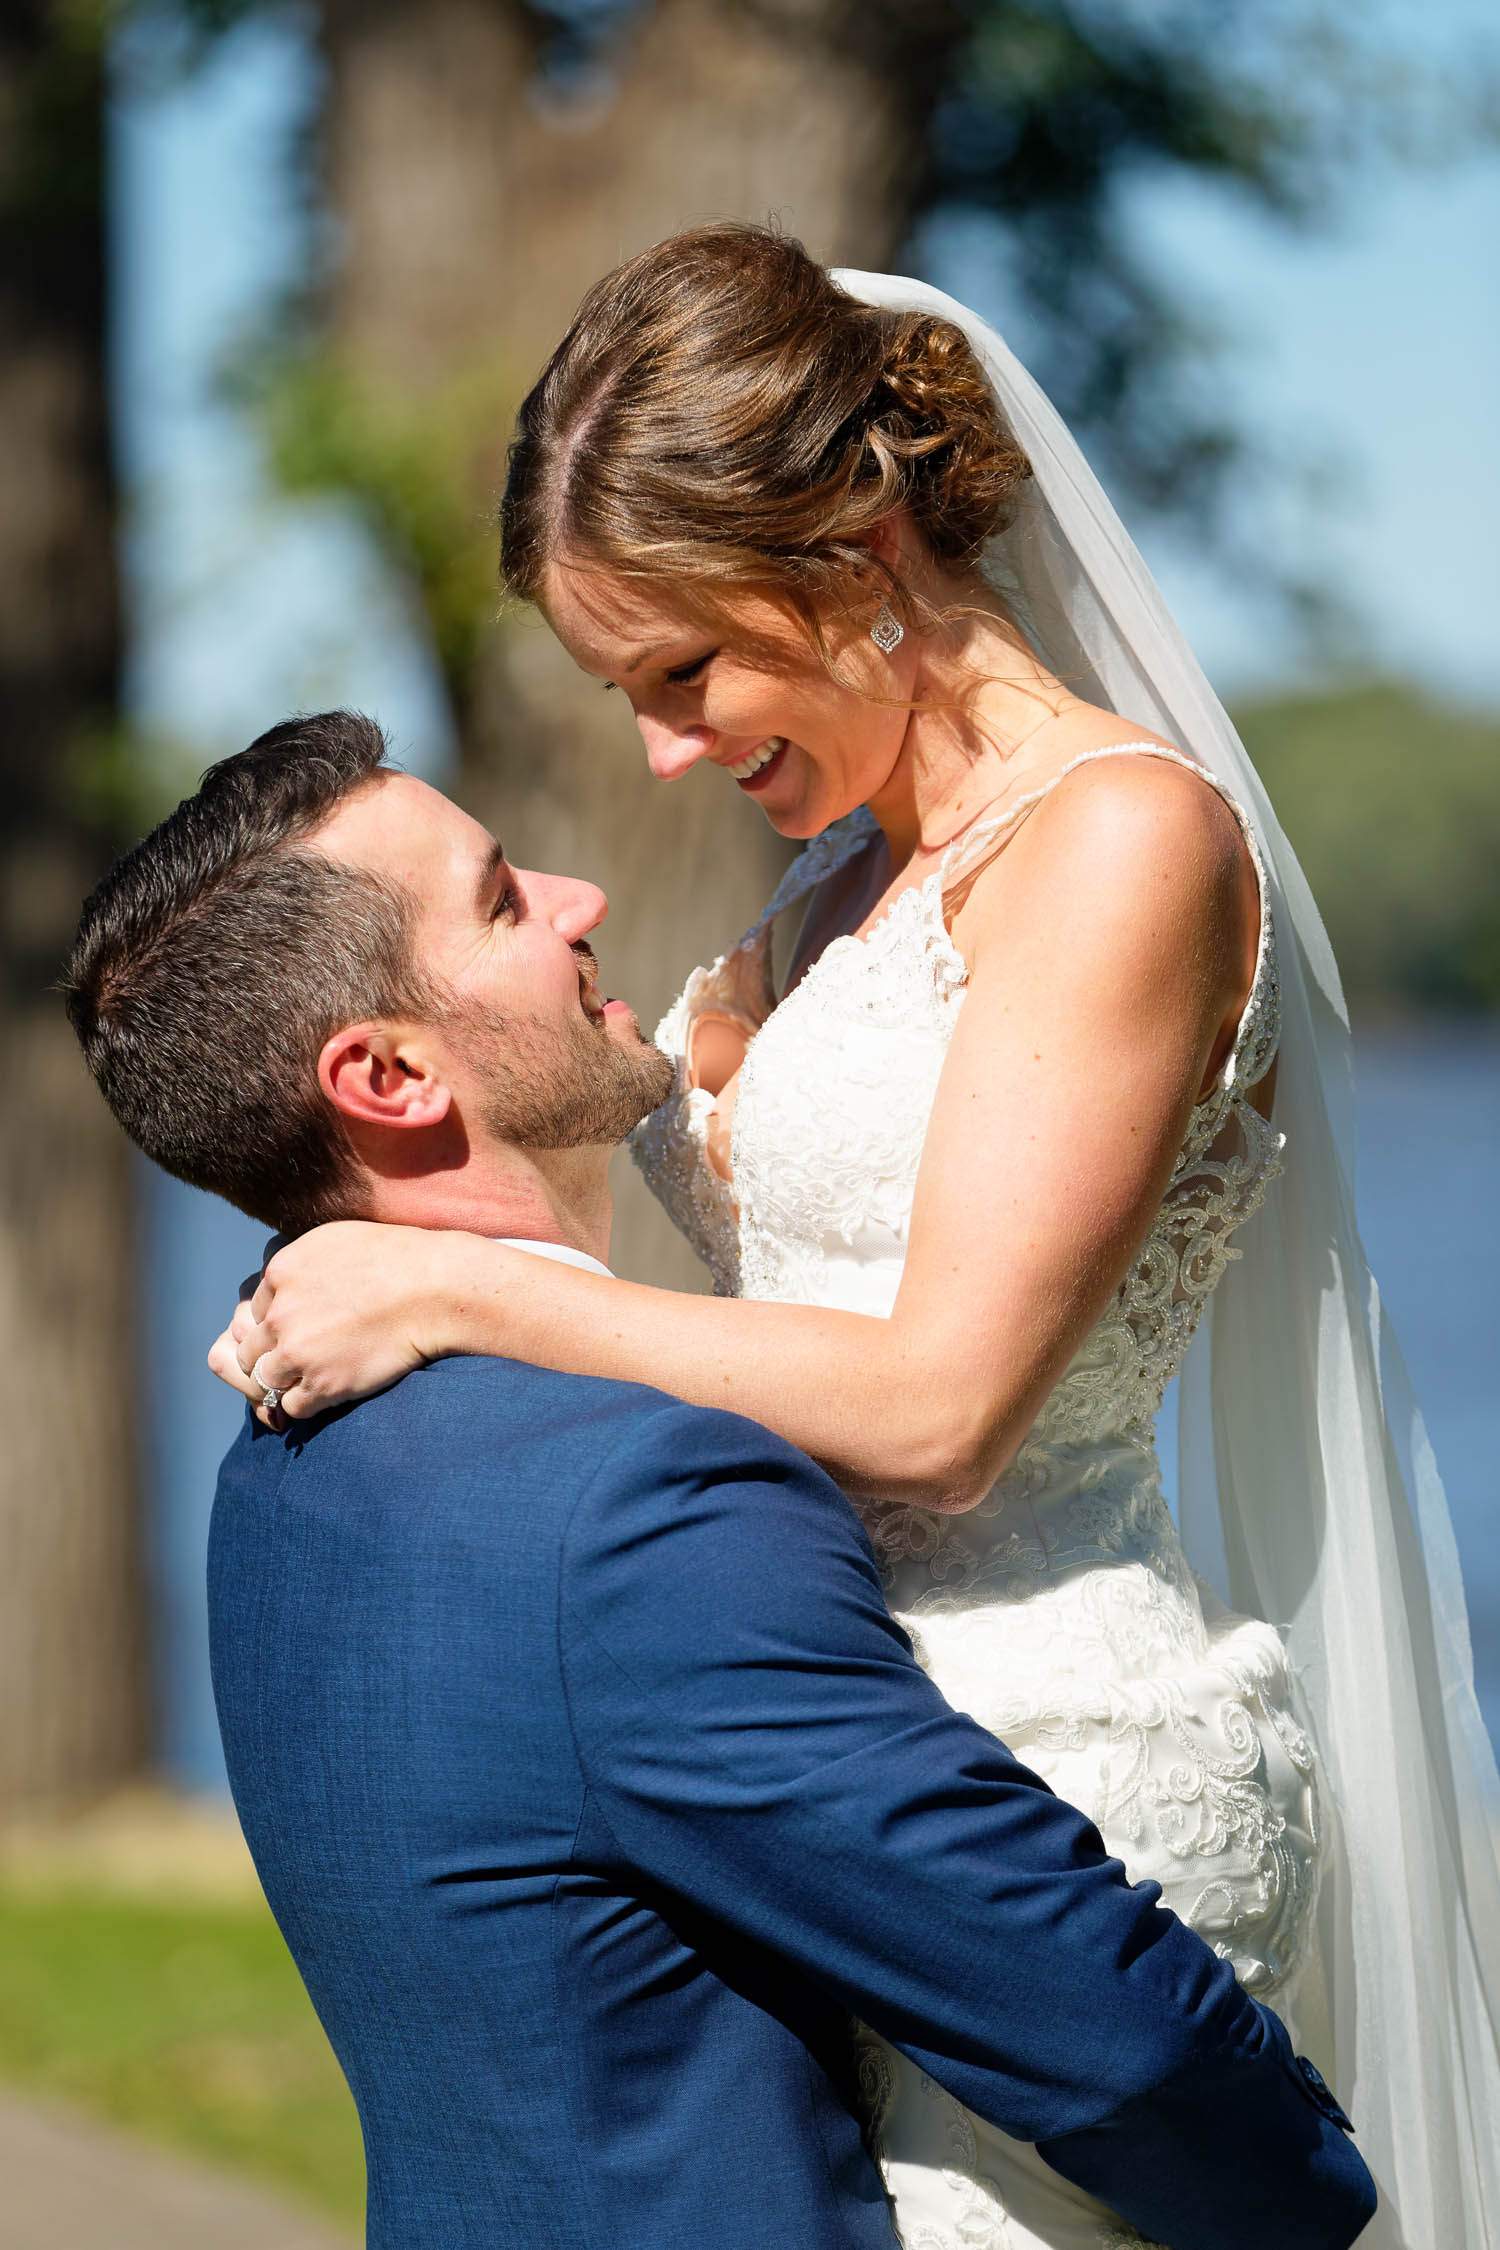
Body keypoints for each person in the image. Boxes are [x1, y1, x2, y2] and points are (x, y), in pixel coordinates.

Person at [209, 227, 1500, 2249]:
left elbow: (942, 1405)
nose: (658, 751)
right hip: (809, 1779)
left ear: (851, 554)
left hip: (1057, 1792)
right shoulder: (829, 893)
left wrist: (454, 1287)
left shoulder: (1118, 846)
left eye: (680, 669)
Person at [62, 714, 1374, 2250]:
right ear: (389, 1073)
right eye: (499, 901)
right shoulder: (633, 1507)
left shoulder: (286, 1463)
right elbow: (1111, 2031)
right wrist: (1329, 2189)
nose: (577, 897)